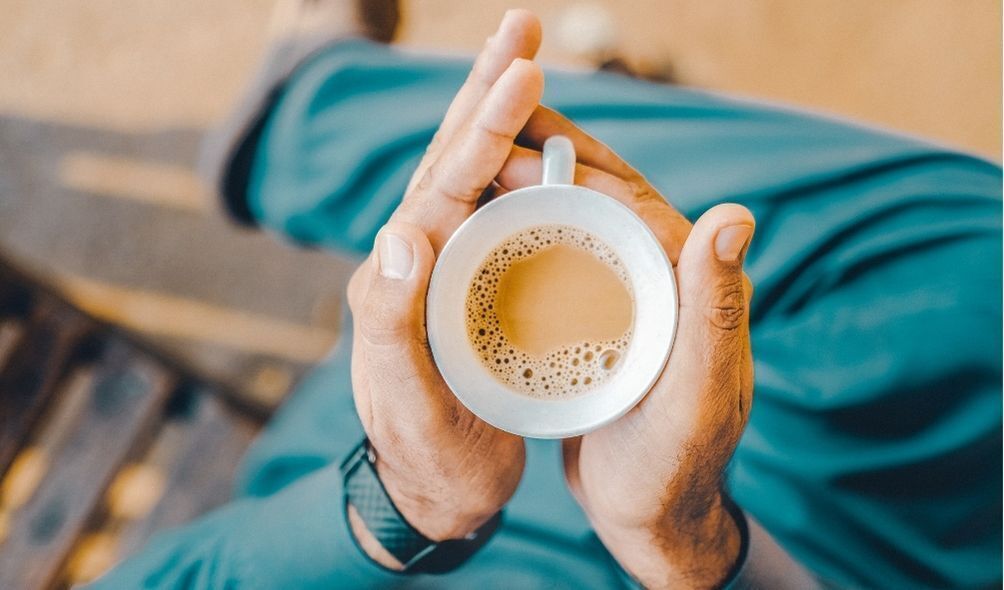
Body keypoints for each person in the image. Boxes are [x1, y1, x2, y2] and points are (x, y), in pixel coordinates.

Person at [92, 5, 1002, 589]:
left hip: (425, 507)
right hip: (777, 548)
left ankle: (308, 115)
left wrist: (405, 505)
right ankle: (311, 116)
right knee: (975, 256)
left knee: (510, 193)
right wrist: (687, 550)